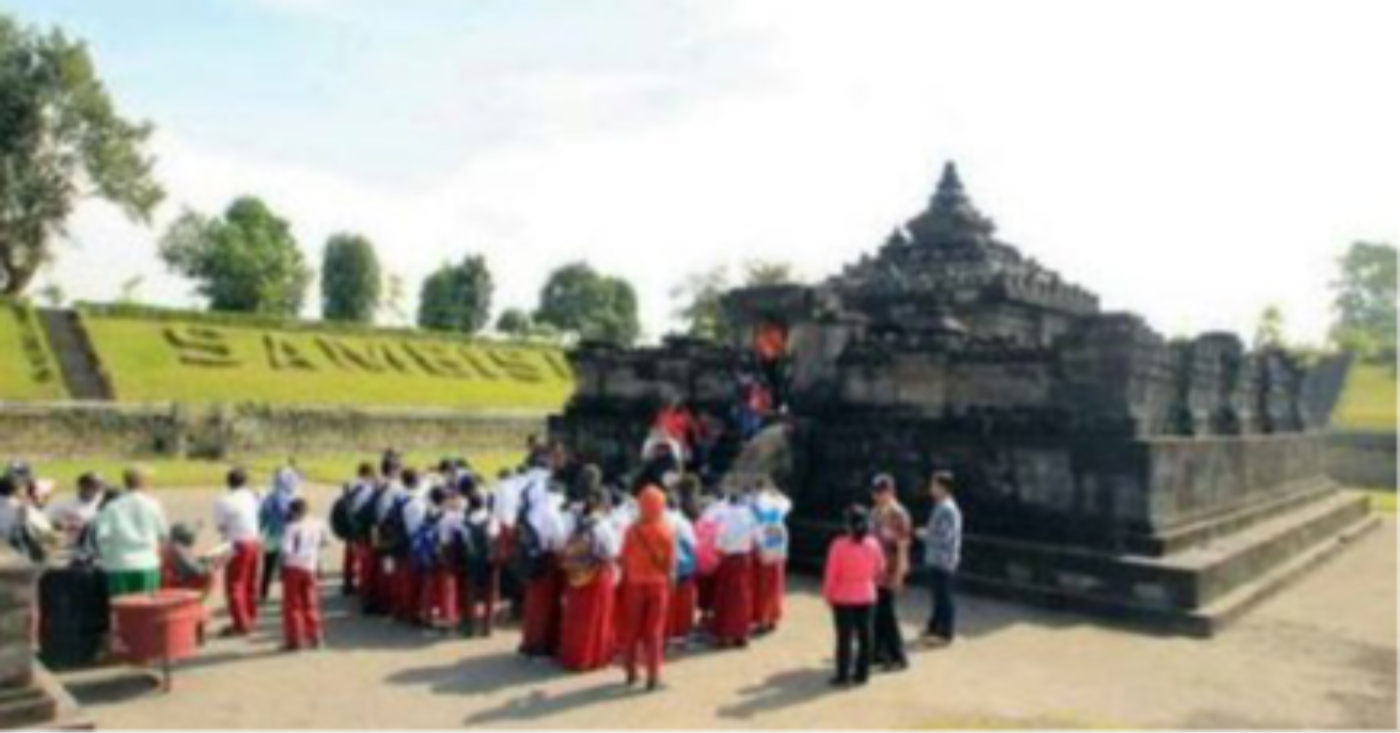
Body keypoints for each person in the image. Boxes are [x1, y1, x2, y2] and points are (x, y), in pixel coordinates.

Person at [556, 489, 621, 672]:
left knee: (576, 616)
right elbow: (613, 552)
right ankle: (593, 657)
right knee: (596, 616)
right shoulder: (603, 525)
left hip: (576, 574)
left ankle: (572, 656)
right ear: (602, 504)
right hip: (598, 575)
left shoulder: (578, 522)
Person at [618, 485, 676, 690]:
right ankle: (653, 675)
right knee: (654, 631)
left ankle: (631, 672)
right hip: (658, 585)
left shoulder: (631, 530)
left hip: (634, 584)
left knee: (631, 628)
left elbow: (623, 556)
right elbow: (670, 563)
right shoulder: (666, 530)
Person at [822, 505, 884, 687]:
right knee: (866, 636)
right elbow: (880, 568)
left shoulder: (838, 545)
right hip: (867, 594)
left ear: (848, 524)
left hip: (843, 597)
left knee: (844, 638)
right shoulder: (874, 544)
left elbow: (831, 574)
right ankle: (862, 674)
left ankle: (843, 675)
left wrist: (827, 595)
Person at [92, 468, 169, 598]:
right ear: (145, 482)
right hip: (147, 563)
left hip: (118, 564)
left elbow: (101, 536)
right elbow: (163, 534)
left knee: (122, 608)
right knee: (146, 607)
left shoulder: (112, 507)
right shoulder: (153, 505)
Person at [516, 464, 567, 658]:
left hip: (531, 561)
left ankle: (528, 641)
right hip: (547, 562)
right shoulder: (553, 513)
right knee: (544, 606)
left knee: (532, 603)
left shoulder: (533, 509)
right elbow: (558, 541)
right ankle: (540, 645)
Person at [869, 474, 912, 672]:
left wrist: (900, 575)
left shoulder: (899, 514)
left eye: (882, 491)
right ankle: (877, 653)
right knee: (877, 614)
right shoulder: (875, 512)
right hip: (874, 571)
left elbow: (903, 547)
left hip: (891, 570)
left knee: (888, 615)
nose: (878, 496)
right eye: (876, 492)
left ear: (891, 491)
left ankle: (898, 656)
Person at [213, 467, 262, 637]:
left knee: (235, 585)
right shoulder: (251, 496)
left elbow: (221, 526)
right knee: (250, 582)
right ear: (245, 482)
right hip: (254, 541)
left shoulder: (223, 500)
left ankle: (241, 624)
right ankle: (250, 616)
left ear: (228, 482)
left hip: (237, 543)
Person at [918, 471, 962, 646]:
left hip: (943, 559)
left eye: (933, 484)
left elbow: (944, 536)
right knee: (938, 596)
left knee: (943, 597)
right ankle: (934, 627)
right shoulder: (942, 504)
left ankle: (946, 633)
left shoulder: (947, 507)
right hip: (938, 558)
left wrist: (925, 534)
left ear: (942, 487)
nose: (931, 487)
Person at [710, 487, 757, 648]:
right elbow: (755, 539)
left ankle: (724, 636)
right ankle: (741, 634)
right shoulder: (750, 516)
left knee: (726, 598)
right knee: (743, 598)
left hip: (729, 560)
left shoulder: (726, 517)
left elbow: (719, 543)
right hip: (744, 560)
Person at [280, 498, 329, 651]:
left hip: (294, 566)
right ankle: (316, 636)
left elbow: (286, 551)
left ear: (294, 512)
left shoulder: (292, 527)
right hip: (310, 566)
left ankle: (295, 639)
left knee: (293, 605)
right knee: (310, 602)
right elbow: (325, 542)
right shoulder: (318, 523)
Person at [751, 480, 792, 635]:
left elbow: (754, 525)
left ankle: (762, 619)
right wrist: (776, 492)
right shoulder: (778, 502)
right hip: (778, 540)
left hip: (764, 541)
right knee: (775, 585)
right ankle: (773, 618)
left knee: (762, 586)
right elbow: (788, 502)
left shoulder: (756, 502)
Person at [259, 464, 301, 602]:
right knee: (290, 567)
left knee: (268, 567)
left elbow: (263, 516)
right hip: (291, 536)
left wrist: (259, 530)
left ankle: (264, 593)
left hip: (273, 535)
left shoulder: (270, 497)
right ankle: (291, 595)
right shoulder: (294, 497)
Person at [47, 472, 106, 547]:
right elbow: (44, 519)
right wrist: (58, 525)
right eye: (91, 486)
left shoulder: (105, 502)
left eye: (99, 487)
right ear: (80, 486)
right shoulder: (61, 500)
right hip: (63, 543)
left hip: (91, 545)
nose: (96, 490)